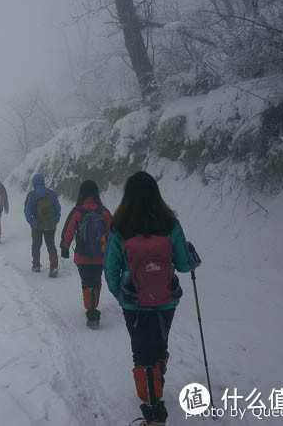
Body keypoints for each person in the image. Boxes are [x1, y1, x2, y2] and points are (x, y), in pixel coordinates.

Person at [103, 171, 196, 426]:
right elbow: (185, 265)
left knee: (141, 354)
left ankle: (154, 412)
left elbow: (110, 268)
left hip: (134, 302)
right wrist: (191, 255)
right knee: (158, 344)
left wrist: (120, 294)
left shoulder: (120, 227)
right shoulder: (170, 224)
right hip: (166, 301)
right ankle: (157, 378)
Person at [59, 180, 112, 329]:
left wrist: (65, 247)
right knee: (96, 281)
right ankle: (93, 306)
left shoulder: (78, 211)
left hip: (82, 256)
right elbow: (113, 233)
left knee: (86, 282)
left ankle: (91, 312)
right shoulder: (103, 212)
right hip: (100, 256)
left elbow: (68, 230)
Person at [23, 173, 61, 276]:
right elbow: (58, 208)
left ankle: (36, 265)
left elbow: (27, 212)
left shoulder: (32, 195)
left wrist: (32, 222)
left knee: (36, 245)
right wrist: (55, 221)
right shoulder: (51, 194)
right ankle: (54, 267)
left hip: (37, 226)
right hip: (50, 225)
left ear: (34, 183)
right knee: (51, 245)